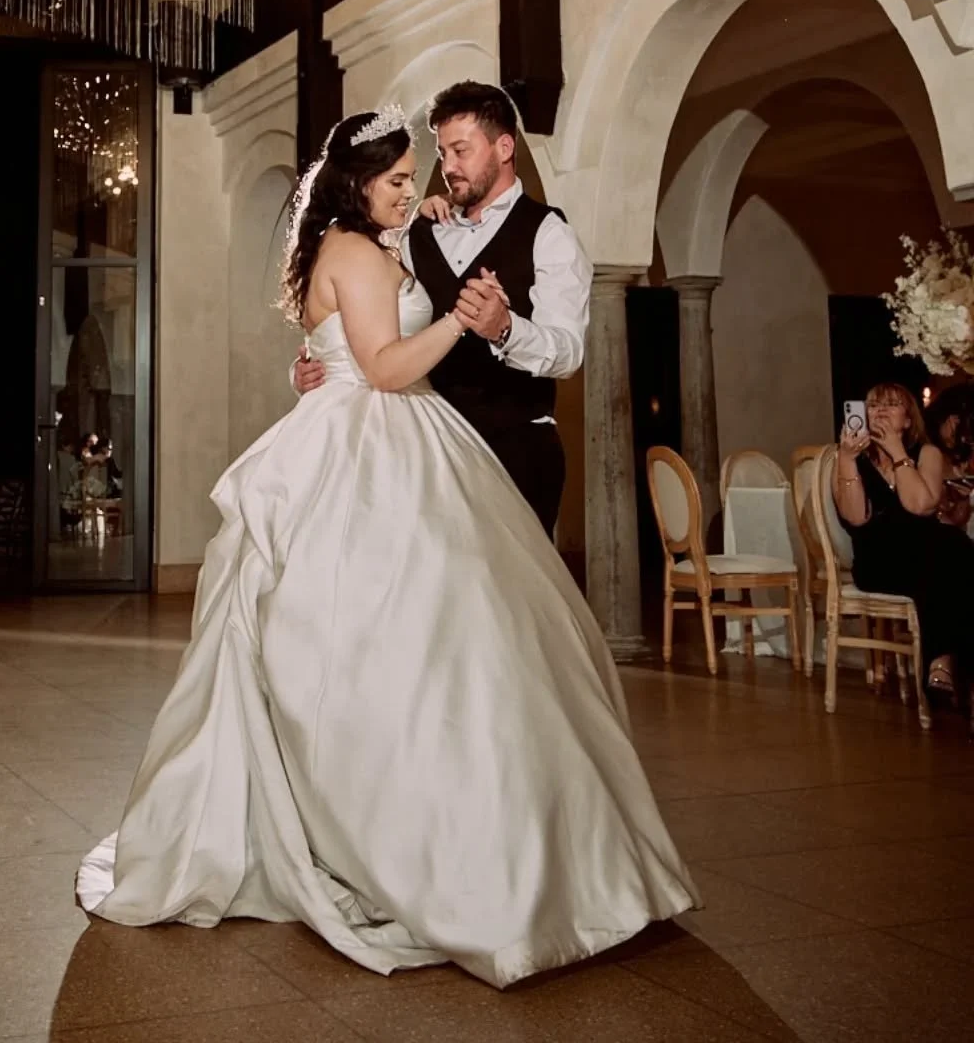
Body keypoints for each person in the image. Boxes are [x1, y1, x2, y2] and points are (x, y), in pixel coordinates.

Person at [76, 109, 697, 988]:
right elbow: (385, 368)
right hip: (372, 440)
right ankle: (405, 845)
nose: (420, 187)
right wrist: (461, 321)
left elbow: (334, 342)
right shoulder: (359, 251)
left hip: (391, 431)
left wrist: (382, 295)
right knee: (402, 642)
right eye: (403, 176)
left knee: (453, 639)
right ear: (359, 180)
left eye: (425, 172)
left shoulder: (370, 243)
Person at [293, 81, 590, 537]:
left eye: (460, 151)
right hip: (421, 452)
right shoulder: (415, 233)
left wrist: (506, 328)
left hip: (515, 448)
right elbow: (363, 320)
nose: (447, 167)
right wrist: (311, 367)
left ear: (504, 147)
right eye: (442, 152)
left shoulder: (549, 233)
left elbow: (568, 353)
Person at [834, 382, 974, 704]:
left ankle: (944, 670)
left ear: (909, 419)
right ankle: (945, 663)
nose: (881, 410)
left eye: (892, 405)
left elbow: (920, 505)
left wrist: (897, 453)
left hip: (927, 555)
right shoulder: (848, 459)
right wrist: (846, 457)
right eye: (873, 405)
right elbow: (855, 517)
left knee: (949, 558)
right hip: (878, 560)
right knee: (953, 555)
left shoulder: (927, 454)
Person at [926, 384, 974, 531]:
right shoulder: (924, 454)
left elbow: (958, 520)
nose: (965, 439)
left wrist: (963, 499)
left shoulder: (960, 456)